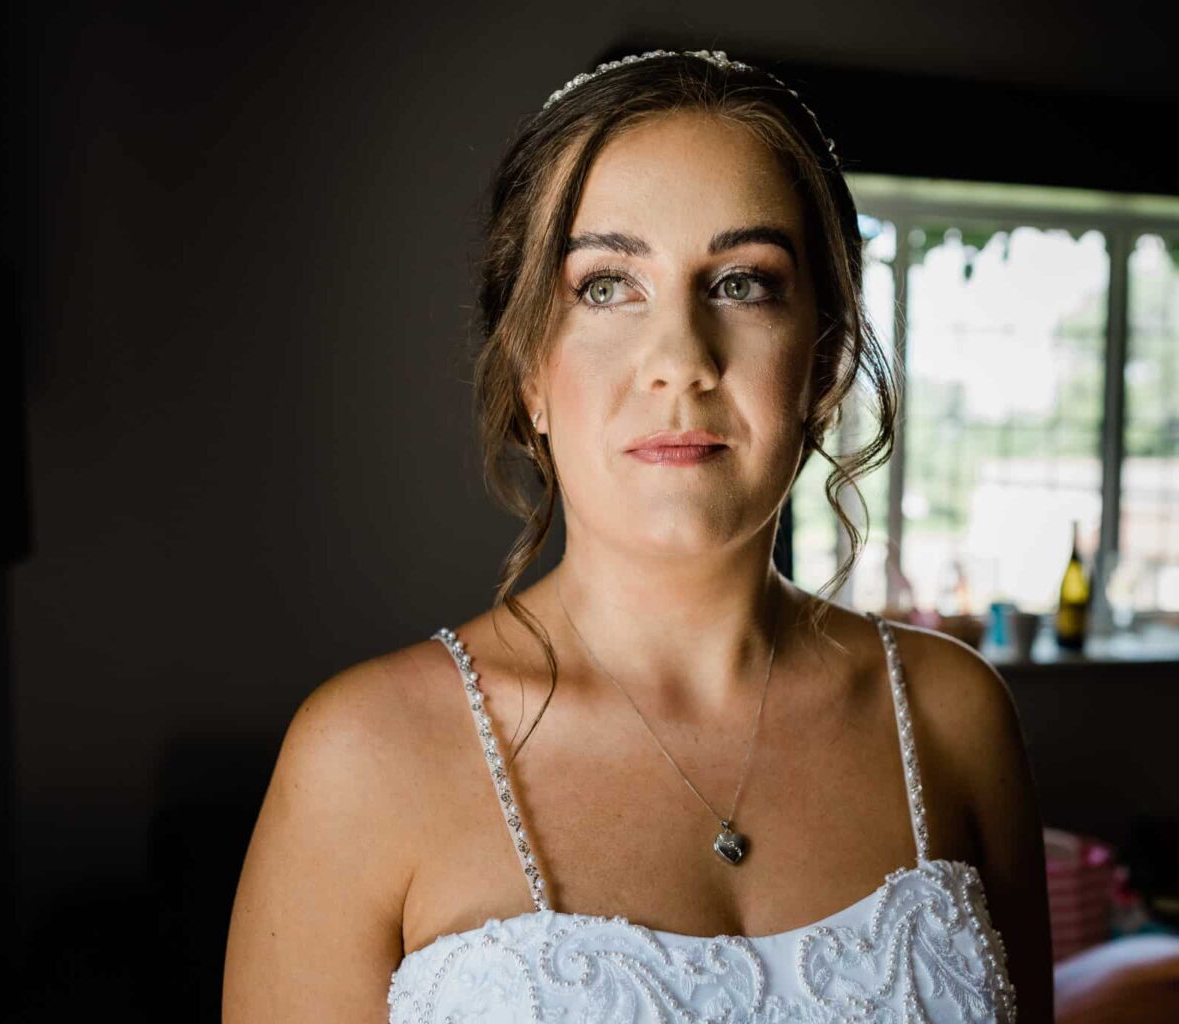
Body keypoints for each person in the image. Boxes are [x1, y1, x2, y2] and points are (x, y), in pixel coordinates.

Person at [222, 48, 1053, 1022]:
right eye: (608, 285)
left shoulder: (954, 718)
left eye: (743, 283)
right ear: (530, 367)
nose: (680, 361)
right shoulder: (362, 758)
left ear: (822, 358)